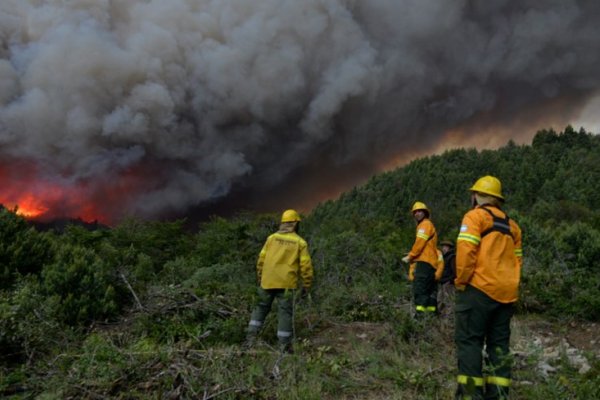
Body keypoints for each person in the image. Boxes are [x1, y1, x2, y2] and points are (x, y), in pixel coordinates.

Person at [454, 176, 523, 399]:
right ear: (498, 200)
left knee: (470, 343)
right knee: (499, 347)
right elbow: (517, 262)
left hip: (478, 290)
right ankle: (499, 395)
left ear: (476, 196)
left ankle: (472, 395)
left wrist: (461, 281)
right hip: (506, 294)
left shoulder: (474, 217)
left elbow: (465, 254)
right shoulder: (513, 227)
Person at [245, 209, 313, 353]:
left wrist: (260, 276)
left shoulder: (271, 238)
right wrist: (307, 285)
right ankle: (284, 347)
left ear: (283, 223)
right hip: (286, 284)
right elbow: (306, 266)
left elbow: (261, 260)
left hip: (267, 281)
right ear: (295, 224)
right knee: (285, 313)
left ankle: (250, 340)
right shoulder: (300, 242)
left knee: (260, 308)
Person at [402, 201, 440, 317]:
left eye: (420, 211)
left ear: (425, 213)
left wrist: (410, 256)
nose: (417, 214)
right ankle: (432, 318)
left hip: (424, 263)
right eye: (415, 212)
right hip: (431, 264)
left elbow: (420, 243)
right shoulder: (427, 225)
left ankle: (420, 319)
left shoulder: (424, 225)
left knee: (420, 290)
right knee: (430, 292)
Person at [438, 240, 456, 319]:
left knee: (449, 302)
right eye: (443, 247)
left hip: (448, 283)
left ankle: (449, 318)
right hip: (443, 282)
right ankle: (442, 317)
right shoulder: (443, 258)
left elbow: (455, 272)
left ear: (449, 248)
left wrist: (450, 281)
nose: (443, 248)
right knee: (440, 301)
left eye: (445, 247)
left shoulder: (452, 257)